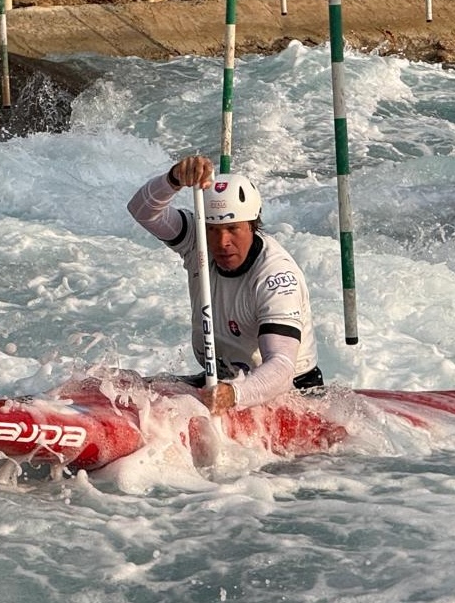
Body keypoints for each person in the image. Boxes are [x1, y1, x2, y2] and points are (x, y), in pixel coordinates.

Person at [127, 154, 323, 411]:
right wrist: (173, 179)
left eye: (233, 229)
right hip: (221, 381)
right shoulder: (197, 241)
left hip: (288, 393)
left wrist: (234, 395)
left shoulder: (276, 278)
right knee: (127, 388)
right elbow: (142, 210)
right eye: (213, 229)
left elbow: (281, 367)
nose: (221, 243)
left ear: (252, 226)